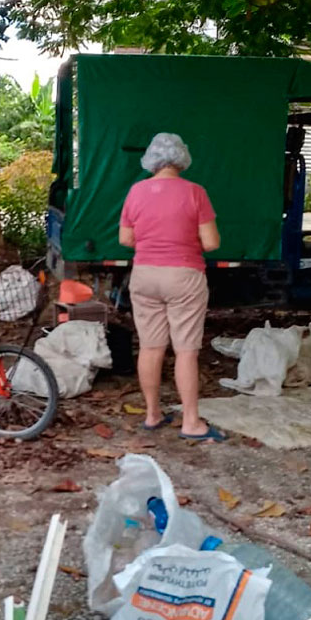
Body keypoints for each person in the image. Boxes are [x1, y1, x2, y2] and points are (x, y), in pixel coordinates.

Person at [118, 132, 225, 442]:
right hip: (184, 276)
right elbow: (212, 242)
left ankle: (152, 415)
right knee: (185, 351)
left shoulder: (136, 192)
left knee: (150, 347)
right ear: (182, 158)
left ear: (151, 159)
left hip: (145, 275)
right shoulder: (195, 193)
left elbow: (125, 239)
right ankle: (191, 422)